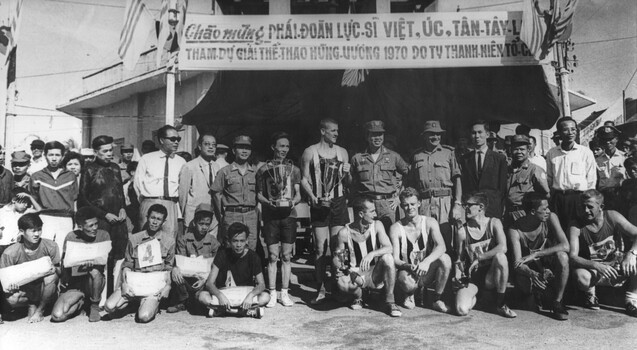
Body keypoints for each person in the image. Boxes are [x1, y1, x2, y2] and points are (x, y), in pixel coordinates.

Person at [301, 118, 351, 304]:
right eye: (333, 131)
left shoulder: (342, 152)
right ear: (322, 131)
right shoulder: (310, 152)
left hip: (338, 203)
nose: (337, 134)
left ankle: (340, 288)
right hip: (319, 203)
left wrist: (348, 172)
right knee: (320, 248)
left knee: (339, 248)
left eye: (337, 131)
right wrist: (312, 197)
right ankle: (320, 288)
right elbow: (304, 180)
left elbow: (348, 183)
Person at [568, 190, 637, 317]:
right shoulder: (576, 225)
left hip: (617, 265)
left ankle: (631, 300)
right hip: (595, 270)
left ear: (601, 207)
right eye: (583, 206)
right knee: (581, 277)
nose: (586, 211)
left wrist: (631, 254)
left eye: (590, 207)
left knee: (636, 257)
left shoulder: (612, 216)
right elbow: (572, 257)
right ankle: (590, 294)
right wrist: (595, 265)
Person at [104, 204, 174, 323]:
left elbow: (168, 267)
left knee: (144, 317)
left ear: (164, 221)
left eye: (158, 219)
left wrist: (168, 286)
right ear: (147, 217)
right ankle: (133, 303)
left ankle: (149, 304)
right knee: (109, 307)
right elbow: (127, 264)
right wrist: (125, 284)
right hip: (135, 282)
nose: (155, 222)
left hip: (154, 286)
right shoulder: (134, 239)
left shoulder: (169, 241)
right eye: (152, 218)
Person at [332, 197, 401, 317]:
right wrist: (349, 272)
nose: (376, 214)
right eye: (372, 211)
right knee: (341, 282)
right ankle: (359, 297)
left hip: (375, 273)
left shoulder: (377, 225)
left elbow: (389, 248)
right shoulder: (344, 233)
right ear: (361, 214)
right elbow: (339, 259)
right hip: (357, 273)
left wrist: (372, 254)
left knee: (388, 258)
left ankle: (390, 301)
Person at [78, 135, 128, 296]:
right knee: (103, 260)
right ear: (95, 152)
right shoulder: (89, 169)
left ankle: (116, 297)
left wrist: (122, 209)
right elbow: (83, 199)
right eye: (105, 151)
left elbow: (119, 193)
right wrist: (104, 215)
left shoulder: (115, 168)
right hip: (101, 221)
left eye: (111, 150)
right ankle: (98, 299)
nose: (109, 154)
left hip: (118, 221)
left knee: (119, 257)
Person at [256, 132, 302, 308]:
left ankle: (285, 293)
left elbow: (297, 194)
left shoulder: (294, 169)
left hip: (288, 216)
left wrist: (292, 202)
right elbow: (259, 194)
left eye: (287, 146)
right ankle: (272, 292)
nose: (284, 149)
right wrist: (268, 203)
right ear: (273, 147)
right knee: (273, 256)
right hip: (271, 216)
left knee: (286, 255)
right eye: (281, 146)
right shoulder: (263, 169)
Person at [508, 193, 570, 320]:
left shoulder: (551, 218)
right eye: (544, 209)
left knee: (563, 257)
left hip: (547, 263)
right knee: (524, 288)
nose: (548, 211)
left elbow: (565, 246)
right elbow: (517, 263)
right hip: (530, 269)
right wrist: (531, 274)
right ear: (532, 211)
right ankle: (536, 293)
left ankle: (557, 301)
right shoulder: (515, 229)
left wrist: (536, 254)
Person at [454, 192, 516, 318]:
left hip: (491, 275)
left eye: (469, 205)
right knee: (461, 309)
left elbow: (503, 247)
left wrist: (480, 257)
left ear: (480, 207)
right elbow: (459, 258)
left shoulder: (494, 223)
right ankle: (479, 297)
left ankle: (500, 303)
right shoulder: (462, 231)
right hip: (474, 278)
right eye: (464, 205)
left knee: (501, 257)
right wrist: (457, 274)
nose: (465, 208)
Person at [390, 188, 451, 313]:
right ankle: (410, 293)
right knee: (405, 281)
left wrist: (427, 262)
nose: (410, 208)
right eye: (406, 205)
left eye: (413, 204)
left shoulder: (429, 222)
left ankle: (437, 299)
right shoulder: (396, 228)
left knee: (445, 258)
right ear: (401, 206)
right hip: (408, 272)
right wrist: (407, 266)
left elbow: (442, 246)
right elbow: (395, 259)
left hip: (426, 270)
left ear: (419, 203)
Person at [408, 120, 462, 253]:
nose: (436, 137)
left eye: (438, 134)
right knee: (426, 238)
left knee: (446, 237)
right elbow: (412, 183)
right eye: (432, 134)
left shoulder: (449, 153)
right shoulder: (416, 156)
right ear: (424, 136)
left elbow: (457, 179)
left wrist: (457, 203)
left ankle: (449, 270)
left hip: (445, 202)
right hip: (424, 202)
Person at [197, 222, 270, 318]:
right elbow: (209, 283)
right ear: (229, 241)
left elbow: (262, 284)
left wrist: (250, 296)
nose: (239, 245)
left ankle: (220, 311)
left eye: (242, 241)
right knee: (202, 296)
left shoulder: (253, 257)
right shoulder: (222, 255)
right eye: (235, 241)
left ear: (247, 241)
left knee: (265, 297)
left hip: (245, 294)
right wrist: (220, 296)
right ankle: (245, 312)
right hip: (225, 294)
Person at [51, 207, 110, 322]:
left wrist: (91, 265)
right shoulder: (71, 237)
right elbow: (65, 265)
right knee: (58, 316)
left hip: (93, 282)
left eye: (96, 224)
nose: (95, 228)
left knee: (95, 271)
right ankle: (81, 303)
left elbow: (103, 262)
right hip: (75, 284)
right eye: (90, 226)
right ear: (80, 226)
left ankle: (94, 306)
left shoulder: (104, 235)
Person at [0, 213, 60, 323]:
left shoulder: (51, 245)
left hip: (45, 288)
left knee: (51, 277)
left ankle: (40, 310)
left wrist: (53, 269)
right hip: (25, 290)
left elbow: (60, 271)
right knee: (11, 299)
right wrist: (11, 286)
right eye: (33, 231)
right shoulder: (10, 252)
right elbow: (5, 278)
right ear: (22, 231)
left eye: (39, 229)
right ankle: (31, 305)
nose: (37, 234)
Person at [350, 120, 409, 231]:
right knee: (367, 235)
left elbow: (409, 174)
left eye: (380, 134)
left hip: (387, 204)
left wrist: (399, 197)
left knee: (390, 235)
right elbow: (351, 182)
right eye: (373, 134)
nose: (377, 138)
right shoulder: (357, 158)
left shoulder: (393, 156)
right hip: (366, 204)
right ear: (367, 136)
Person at [134, 125, 186, 237]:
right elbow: (137, 184)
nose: (176, 142)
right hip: (149, 203)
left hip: (171, 204)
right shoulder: (147, 159)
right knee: (146, 240)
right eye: (172, 139)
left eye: (178, 139)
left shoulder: (181, 162)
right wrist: (147, 202)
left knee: (168, 240)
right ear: (162, 140)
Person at [168, 204, 220, 313]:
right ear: (194, 223)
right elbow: (180, 260)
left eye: (207, 224)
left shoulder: (214, 242)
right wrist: (176, 269)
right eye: (201, 224)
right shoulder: (184, 239)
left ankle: (196, 301)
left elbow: (216, 266)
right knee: (176, 272)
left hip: (204, 279)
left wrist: (205, 279)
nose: (204, 227)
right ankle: (182, 301)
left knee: (207, 290)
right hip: (187, 278)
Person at [546, 117, 597, 231]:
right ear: (559, 132)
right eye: (566, 130)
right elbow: (549, 178)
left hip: (579, 198)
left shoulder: (585, 152)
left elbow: (591, 180)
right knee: (560, 231)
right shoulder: (552, 153)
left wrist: (588, 201)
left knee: (579, 231)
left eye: (573, 129)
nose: (570, 133)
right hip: (558, 198)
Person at [211, 135, 259, 250]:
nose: (244, 151)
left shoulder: (255, 172)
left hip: (251, 215)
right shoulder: (224, 171)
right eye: (241, 147)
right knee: (231, 248)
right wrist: (221, 214)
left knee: (251, 247)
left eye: (247, 148)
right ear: (233, 150)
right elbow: (216, 193)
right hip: (232, 214)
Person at [30, 141, 78, 251]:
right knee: (44, 251)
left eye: (57, 155)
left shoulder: (70, 176)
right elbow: (34, 201)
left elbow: (75, 200)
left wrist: (76, 223)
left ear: (62, 156)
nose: (54, 158)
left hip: (66, 218)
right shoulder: (37, 176)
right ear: (45, 155)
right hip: (45, 219)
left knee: (63, 252)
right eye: (51, 155)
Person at [461, 121, 508, 219]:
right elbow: (464, 186)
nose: (477, 136)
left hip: (492, 209)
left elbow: (502, 188)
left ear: (487, 134)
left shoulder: (499, 158)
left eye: (480, 132)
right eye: (473, 133)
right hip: (472, 209)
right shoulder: (465, 159)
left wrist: (500, 208)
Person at [179, 132, 220, 235]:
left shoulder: (217, 167)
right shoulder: (189, 166)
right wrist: (184, 216)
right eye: (207, 144)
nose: (211, 147)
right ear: (199, 146)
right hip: (194, 217)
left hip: (213, 218)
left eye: (213, 145)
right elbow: (182, 195)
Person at [505, 135, 549, 228]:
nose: (519, 152)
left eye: (522, 149)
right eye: (515, 149)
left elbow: (545, 194)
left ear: (528, 150)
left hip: (524, 213)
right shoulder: (506, 170)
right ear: (510, 150)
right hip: (507, 214)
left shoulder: (535, 170)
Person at [595, 125, 626, 211]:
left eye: (610, 139)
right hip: (604, 196)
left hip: (621, 195)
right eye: (604, 140)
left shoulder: (624, 157)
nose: (608, 142)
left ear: (616, 139)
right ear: (600, 142)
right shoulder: (596, 161)